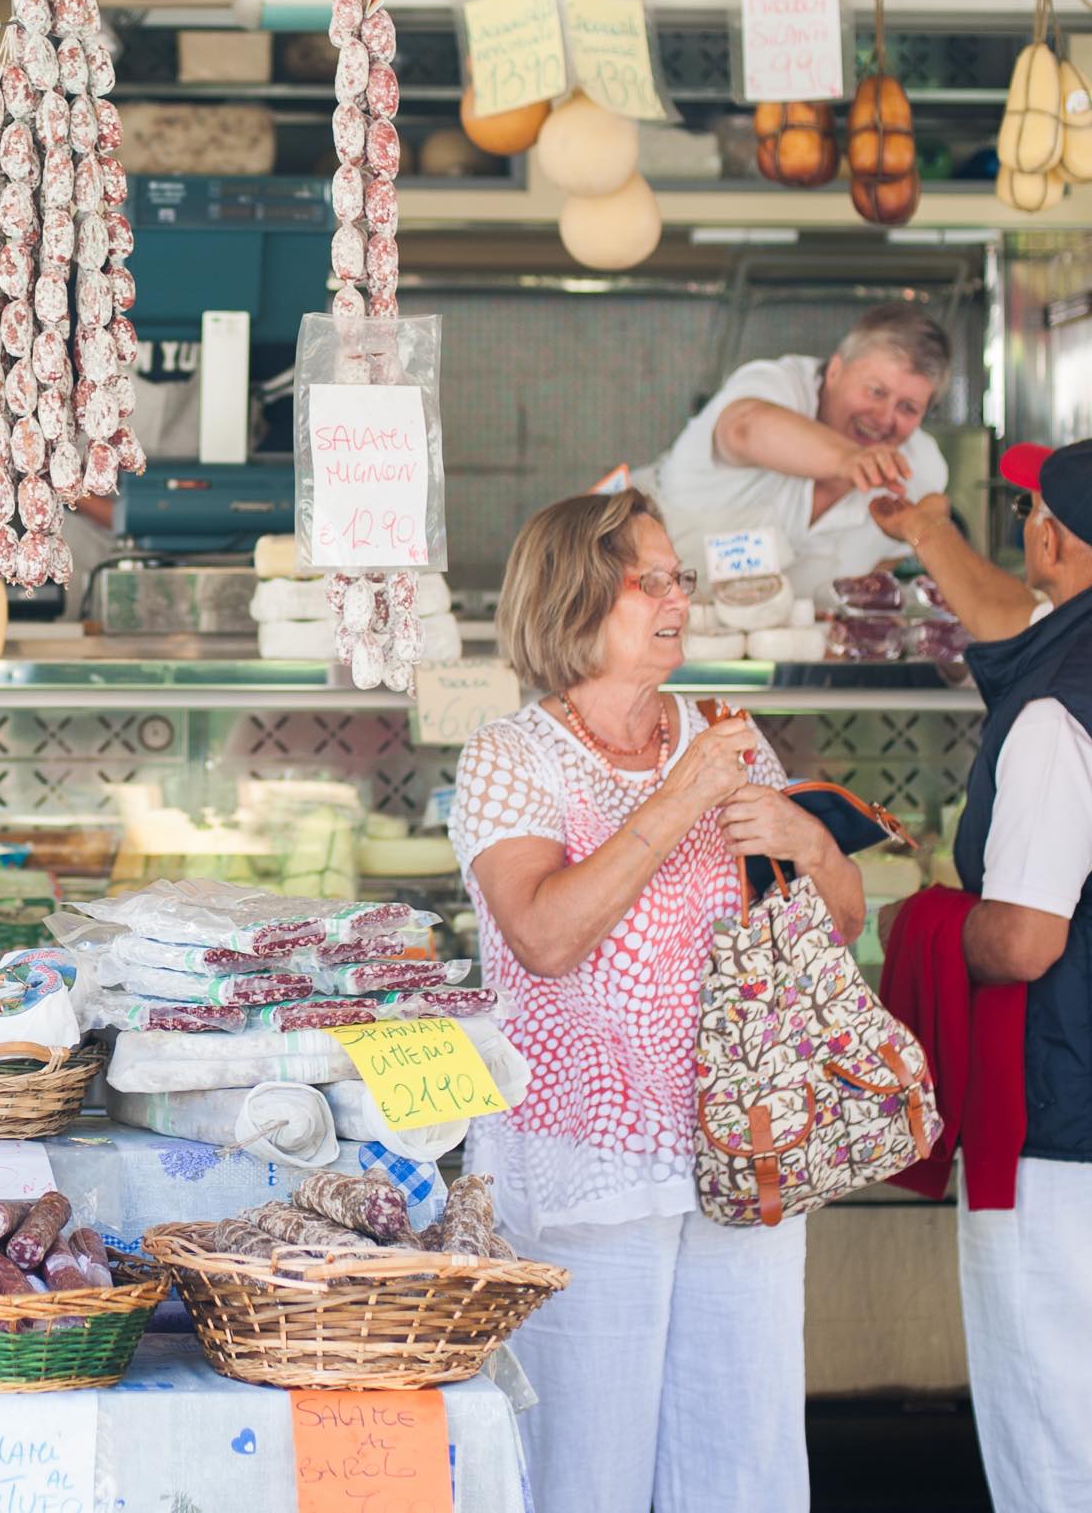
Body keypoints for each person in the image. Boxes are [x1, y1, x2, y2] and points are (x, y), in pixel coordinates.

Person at [448, 488, 864, 1513]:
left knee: (743, 1442)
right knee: (587, 1455)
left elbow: (838, 922)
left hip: (740, 1139)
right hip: (584, 1153)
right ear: (578, 596)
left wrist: (806, 837)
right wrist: (681, 796)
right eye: (654, 578)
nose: (680, 596)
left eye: (681, 577)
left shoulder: (725, 733)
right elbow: (544, 934)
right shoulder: (512, 757)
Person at [874, 441, 1092, 1513]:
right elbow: (1014, 624)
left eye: (1028, 510)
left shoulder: (1057, 719)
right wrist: (927, 531)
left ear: (1052, 538)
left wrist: (914, 920)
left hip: (1065, 1109)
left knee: (1056, 1410)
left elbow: (1022, 940)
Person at [640, 302, 951, 589]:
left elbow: (886, 560)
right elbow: (744, 428)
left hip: (794, 643)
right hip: (657, 618)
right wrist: (850, 459)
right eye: (875, 391)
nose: (885, 418)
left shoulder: (922, 471)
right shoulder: (778, 384)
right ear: (834, 371)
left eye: (908, 408)